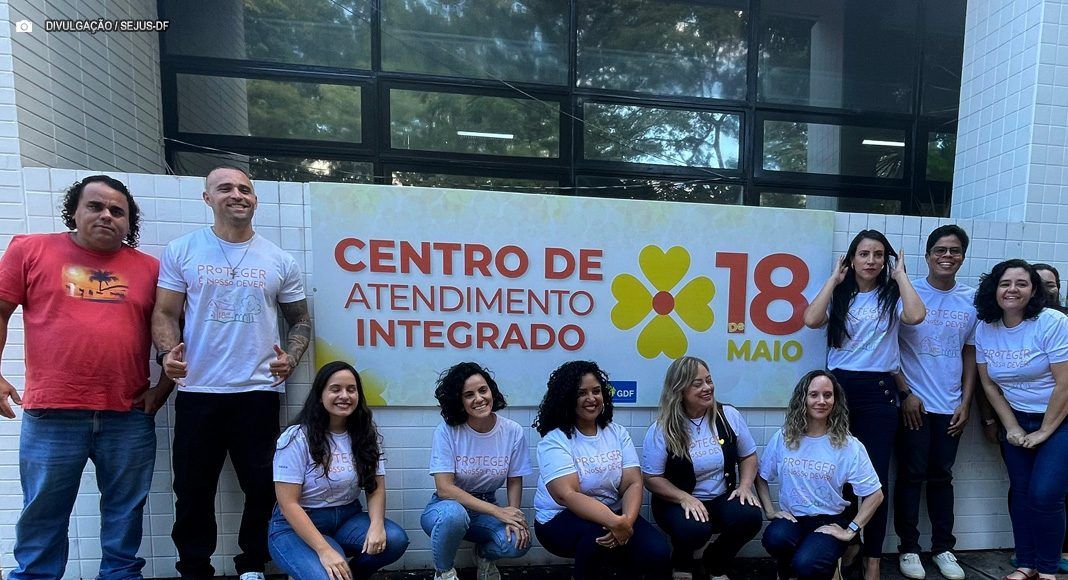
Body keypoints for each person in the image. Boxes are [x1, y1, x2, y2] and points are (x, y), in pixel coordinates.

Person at [0, 175, 173, 579]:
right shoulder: (30, 250)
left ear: (129, 223)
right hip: (52, 413)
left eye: (118, 211)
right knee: (43, 513)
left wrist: (163, 389)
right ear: (74, 212)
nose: (106, 215)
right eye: (95, 206)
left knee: (125, 514)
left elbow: (175, 329)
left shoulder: (151, 270)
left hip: (127, 414)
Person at [152, 165, 312, 580]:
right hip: (198, 390)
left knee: (261, 487)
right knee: (192, 490)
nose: (237, 195)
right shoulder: (183, 250)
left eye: (245, 189)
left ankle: (252, 565)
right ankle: (194, 568)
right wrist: (167, 354)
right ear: (208, 198)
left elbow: (300, 320)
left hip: (258, 392)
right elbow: (165, 312)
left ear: (255, 199)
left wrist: (292, 357)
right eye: (225, 188)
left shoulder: (279, 259)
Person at [803, 229, 925, 580]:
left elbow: (916, 316)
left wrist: (900, 276)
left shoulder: (892, 294)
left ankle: (872, 558)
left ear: (886, 260)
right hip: (838, 390)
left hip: (878, 392)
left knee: (874, 480)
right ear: (852, 259)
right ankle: (844, 547)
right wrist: (833, 279)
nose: (871, 260)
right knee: (839, 475)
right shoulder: (840, 295)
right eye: (863, 254)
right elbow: (811, 320)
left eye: (878, 255)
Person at [268, 360, 408, 580]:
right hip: (297, 525)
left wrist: (377, 525)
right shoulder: (296, 437)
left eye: (351, 389)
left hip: (346, 518)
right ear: (320, 395)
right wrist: (324, 550)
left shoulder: (365, 434)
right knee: (330, 575)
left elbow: (375, 487)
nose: (344, 395)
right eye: (335, 389)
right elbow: (288, 504)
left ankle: (352, 575)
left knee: (394, 539)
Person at [533, 360, 671, 580]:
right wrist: (614, 523)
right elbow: (567, 495)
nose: (591, 398)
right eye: (581, 393)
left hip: (615, 513)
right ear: (567, 398)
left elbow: (633, 483)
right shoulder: (555, 440)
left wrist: (626, 522)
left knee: (658, 551)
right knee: (597, 537)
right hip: (558, 519)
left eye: (596, 391)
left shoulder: (618, 433)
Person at [974, 259, 1068, 580]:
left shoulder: (1052, 322)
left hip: (1059, 420)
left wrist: (1045, 431)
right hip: (1017, 419)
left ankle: (1047, 569)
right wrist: (1011, 426)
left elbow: (1065, 384)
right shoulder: (985, 327)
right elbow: (988, 384)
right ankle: (1025, 564)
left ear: (1033, 289)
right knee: (1022, 493)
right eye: (1005, 283)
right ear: (994, 289)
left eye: (1021, 283)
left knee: (1045, 494)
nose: (1012, 290)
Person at [893, 225, 977, 580]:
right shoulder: (907, 293)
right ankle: (909, 548)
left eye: (954, 250)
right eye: (940, 250)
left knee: (942, 477)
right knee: (911, 476)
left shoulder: (971, 300)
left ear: (963, 257)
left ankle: (943, 548)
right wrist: (905, 393)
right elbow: (888, 347)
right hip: (914, 405)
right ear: (927, 256)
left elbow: (971, 353)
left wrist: (966, 402)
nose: (947, 256)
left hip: (950, 406)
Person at [641, 356, 762, 580]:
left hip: (720, 497)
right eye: (698, 384)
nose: (707, 388)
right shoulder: (662, 428)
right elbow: (651, 478)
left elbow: (748, 456)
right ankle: (682, 562)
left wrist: (745, 486)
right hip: (676, 503)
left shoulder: (728, 416)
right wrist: (683, 497)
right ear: (679, 390)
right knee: (695, 529)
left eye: (709, 380)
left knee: (751, 516)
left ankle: (715, 562)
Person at [757, 370, 885, 580]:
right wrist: (770, 511)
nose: (821, 401)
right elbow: (761, 476)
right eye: (814, 394)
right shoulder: (784, 437)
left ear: (835, 400)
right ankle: (787, 571)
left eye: (828, 395)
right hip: (793, 518)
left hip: (828, 521)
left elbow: (875, 494)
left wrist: (851, 530)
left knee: (806, 563)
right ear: (803, 399)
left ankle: (829, 565)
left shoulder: (848, 445)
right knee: (775, 539)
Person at [421, 362, 532, 580]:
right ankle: (444, 572)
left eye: (483, 390)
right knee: (454, 515)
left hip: (486, 507)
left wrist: (513, 515)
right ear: (459, 401)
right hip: (446, 508)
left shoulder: (512, 431)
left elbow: (514, 479)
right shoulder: (447, 431)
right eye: (469, 395)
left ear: (492, 391)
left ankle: (484, 555)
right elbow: (444, 489)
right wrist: (498, 512)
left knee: (519, 542)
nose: (479, 399)